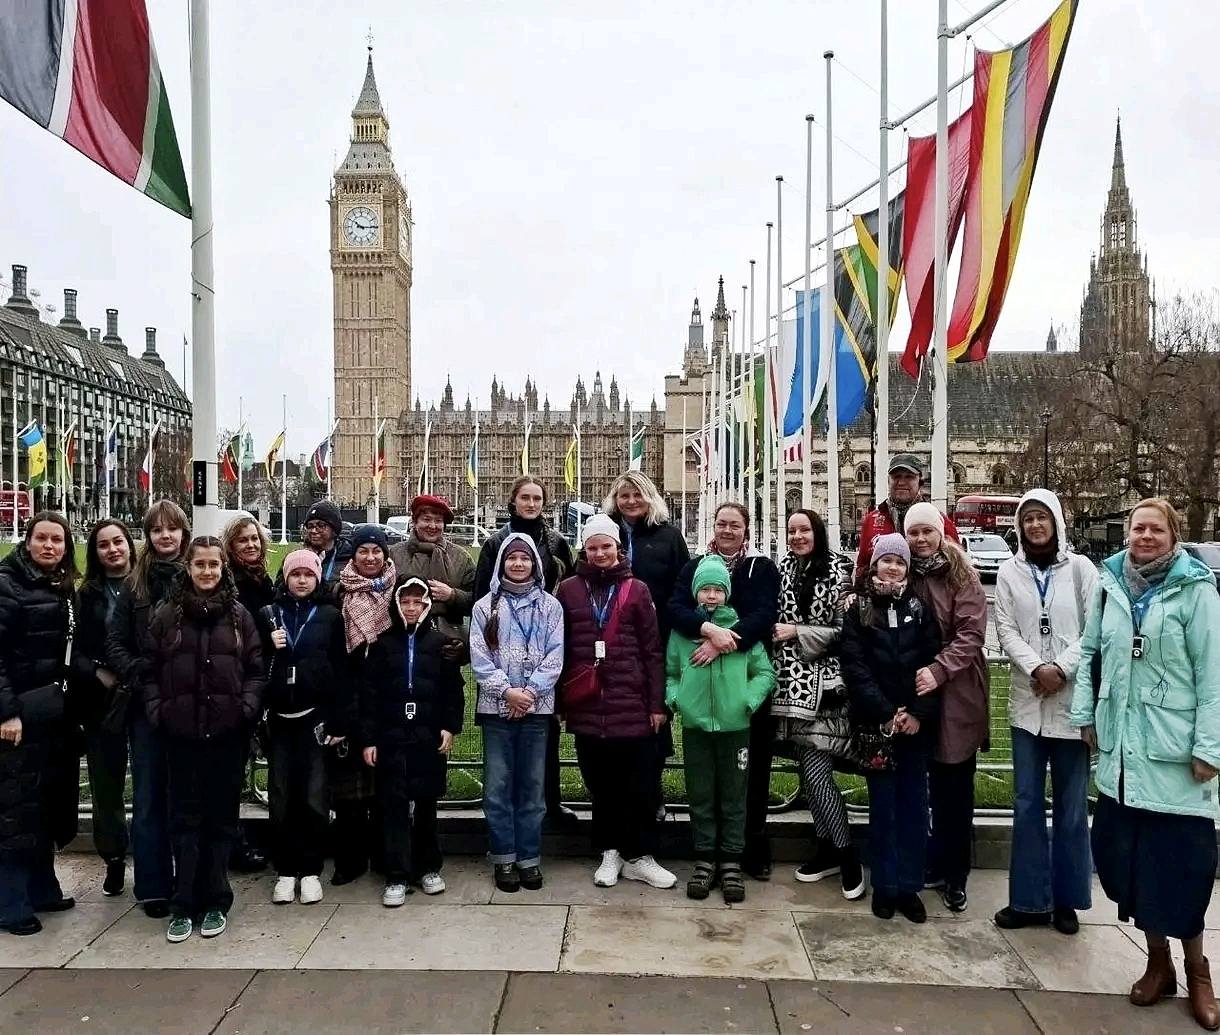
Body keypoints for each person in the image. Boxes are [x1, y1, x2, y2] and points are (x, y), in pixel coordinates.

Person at [1070, 498, 1220, 1031]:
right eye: (1139, 528)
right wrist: (1084, 715)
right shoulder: (1110, 585)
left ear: (1174, 536)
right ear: (1127, 533)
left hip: (1174, 756)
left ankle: (1198, 971)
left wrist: (1209, 748)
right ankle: (1158, 965)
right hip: (1122, 754)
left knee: (1182, 871)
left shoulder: (1196, 591)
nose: (1146, 536)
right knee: (1131, 867)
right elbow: (1090, 655)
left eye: (1157, 529)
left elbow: (1213, 676)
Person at [142, 536, 265, 942]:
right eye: (200, 565)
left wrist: (245, 710)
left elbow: (255, 670)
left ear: (222, 568)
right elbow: (149, 670)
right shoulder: (167, 615)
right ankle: (184, 902)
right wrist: (160, 712)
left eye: (214, 565)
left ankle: (216, 899)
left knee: (221, 821)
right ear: (189, 568)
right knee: (184, 820)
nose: (207, 572)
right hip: (181, 735)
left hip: (226, 734)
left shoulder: (239, 616)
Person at [993, 489, 1097, 936]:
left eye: (1042, 518)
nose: (1035, 525)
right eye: (1028, 519)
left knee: (1071, 807)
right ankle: (1028, 900)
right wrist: (1037, 667)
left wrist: (1061, 669)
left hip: (1071, 705)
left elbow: (1094, 629)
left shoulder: (1081, 570)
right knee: (1027, 803)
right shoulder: (1008, 572)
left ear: (1056, 522)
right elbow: (1005, 629)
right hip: (1028, 704)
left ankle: (1066, 899)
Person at [555, 515, 673, 890]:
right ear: (584, 550)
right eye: (593, 547)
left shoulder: (637, 590)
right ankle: (610, 852)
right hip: (587, 702)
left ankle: (641, 856)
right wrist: (561, 702)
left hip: (631, 701)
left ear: (617, 548)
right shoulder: (569, 590)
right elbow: (560, 649)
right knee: (601, 785)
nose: (600, 553)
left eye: (606, 546)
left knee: (639, 784)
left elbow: (652, 650)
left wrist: (657, 704)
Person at [669, 502, 779, 879]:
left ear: (747, 528)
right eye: (721, 524)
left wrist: (723, 641)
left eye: (735, 524)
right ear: (712, 527)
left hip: (740, 680)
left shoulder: (760, 568)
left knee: (752, 772)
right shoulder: (694, 567)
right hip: (701, 688)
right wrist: (707, 631)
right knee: (705, 782)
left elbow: (764, 615)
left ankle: (749, 846)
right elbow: (676, 609)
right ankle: (709, 851)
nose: (727, 530)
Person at [840, 534, 942, 924]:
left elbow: (932, 660)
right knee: (883, 808)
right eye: (887, 561)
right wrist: (885, 712)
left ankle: (909, 886)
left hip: (914, 726)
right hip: (877, 726)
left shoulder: (920, 608)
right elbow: (855, 666)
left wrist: (916, 713)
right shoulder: (859, 609)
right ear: (875, 565)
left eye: (900, 562)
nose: (893, 568)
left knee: (914, 806)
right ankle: (885, 885)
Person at [771, 509, 864, 899]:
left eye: (804, 530)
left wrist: (797, 631)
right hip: (789, 689)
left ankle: (847, 854)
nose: (797, 536)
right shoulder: (783, 569)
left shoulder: (840, 570)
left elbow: (847, 631)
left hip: (826, 689)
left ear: (818, 532)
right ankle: (826, 849)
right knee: (810, 775)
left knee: (817, 772)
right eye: (791, 530)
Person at [474, 475, 576, 828]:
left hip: (544, 643)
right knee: (502, 745)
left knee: (544, 731)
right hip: (503, 651)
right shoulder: (495, 543)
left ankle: (550, 802)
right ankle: (508, 814)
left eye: (537, 499)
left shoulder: (556, 542)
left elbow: (568, 589)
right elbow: (483, 595)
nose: (531, 504)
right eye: (525, 498)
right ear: (513, 501)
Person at [106, 499, 190, 919]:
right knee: (149, 797)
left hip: (190, 705)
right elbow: (115, 642)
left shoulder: (198, 575)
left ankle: (189, 880)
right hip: (146, 706)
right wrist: (138, 671)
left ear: (183, 533)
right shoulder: (134, 586)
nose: (165, 536)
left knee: (187, 797)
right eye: (157, 530)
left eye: (171, 528)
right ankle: (153, 886)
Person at [903, 501, 989, 913]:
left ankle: (956, 873)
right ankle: (932, 861)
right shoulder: (904, 572)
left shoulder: (962, 574)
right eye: (913, 532)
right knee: (926, 785)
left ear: (940, 533)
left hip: (957, 688)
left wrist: (939, 670)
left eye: (927, 531)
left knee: (955, 787)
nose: (921, 539)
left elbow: (971, 633)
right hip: (918, 690)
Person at [358, 578, 464, 906]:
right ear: (396, 604)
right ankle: (396, 873)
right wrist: (369, 739)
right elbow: (370, 696)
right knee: (393, 806)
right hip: (391, 737)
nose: (412, 608)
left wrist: (449, 727)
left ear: (427, 605)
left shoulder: (440, 645)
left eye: (418, 602)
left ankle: (428, 867)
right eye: (406, 602)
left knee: (426, 804)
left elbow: (453, 690)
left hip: (427, 736)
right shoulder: (382, 645)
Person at [0, 512, 81, 936]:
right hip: (20, 714)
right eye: (42, 538)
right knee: (15, 810)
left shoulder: (60, 586)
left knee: (44, 804)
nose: (49, 546)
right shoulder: (8, 584)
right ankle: (11, 903)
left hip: (52, 712)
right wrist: (6, 711)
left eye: (57, 540)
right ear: (28, 541)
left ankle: (43, 888)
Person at [470, 533, 564, 893]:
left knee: (532, 788)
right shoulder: (485, 607)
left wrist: (530, 693)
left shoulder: (550, 607)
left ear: (535, 564)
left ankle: (529, 857)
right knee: (498, 786)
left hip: (536, 710)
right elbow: (480, 658)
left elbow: (555, 655)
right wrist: (507, 692)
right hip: (497, 710)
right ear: (502, 563)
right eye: (512, 558)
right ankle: (504, 856)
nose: (518, 564)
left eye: (525, 558)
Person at [602, 471, 690, 818]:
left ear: (649, 497)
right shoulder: (605, 532)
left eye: (637, 495)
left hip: (656, 642)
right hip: (612, 643)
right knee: (615, 717)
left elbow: (683, 589)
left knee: (655, 718)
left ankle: (652, 794)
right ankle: (617, 798)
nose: (631, 501)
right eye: (624, 495)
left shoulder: (668, 537)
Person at [265, 550, 349, 906]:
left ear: (318, 579)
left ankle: (311, 869)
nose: (301, 580)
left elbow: (341, 669)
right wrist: (268, 645)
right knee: (282, 796)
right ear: (285, 578)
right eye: (295, 574)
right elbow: (254, 664)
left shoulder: (330, 616)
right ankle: (286, 870)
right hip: (279, 719)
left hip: (315, 718)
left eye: (308, 575)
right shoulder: (269, 615)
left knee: (315, 795)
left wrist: (339, 718)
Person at [331, 523, 398, 885]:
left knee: (385, 786)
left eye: (376, 551)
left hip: (387, 697)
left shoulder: (398, 592)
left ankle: (386, 855)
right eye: (363, 551)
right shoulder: (339, 593)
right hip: (350, 694)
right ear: (353, 555)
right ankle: (351, 858)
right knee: (350, 788)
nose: (370, 558)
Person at [74, 519, 137, 898]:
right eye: (103, 544)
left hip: (142, 695)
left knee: (150, 782)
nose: (112, 550)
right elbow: (73, 649)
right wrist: (98, 673)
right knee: (106, 785)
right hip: (102, 700)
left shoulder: (146, 584)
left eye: (118, 542)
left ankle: (151, 856)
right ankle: (113, 858)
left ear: (129, 545)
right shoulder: (86, 595)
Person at [221, 515, 275, 874]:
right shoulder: (232, 586)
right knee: (229, 773)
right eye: (243, 540)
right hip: (237, 688)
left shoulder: (263, 581)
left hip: (262, 685)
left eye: (255, 538)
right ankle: (231, 843)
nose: (251, 545)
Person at [388, 494, 476, 658]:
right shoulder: (395, 554)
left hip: (447, 647)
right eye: (426, 519)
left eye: (438, 521)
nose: (432, 526)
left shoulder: (461, 558)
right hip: (403, 643)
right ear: (415, 522)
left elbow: (478, 600)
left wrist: (452, 595)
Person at [854, 454, 960, 581]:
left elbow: (958, 566)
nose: (901, 482)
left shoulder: (939, 520)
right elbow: (862, 567)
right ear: (888, 480)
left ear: (920, 481)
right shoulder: (872, 520)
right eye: (896, 477)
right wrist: (871, 583)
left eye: (909, 477)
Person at [298, 500, 352, 597]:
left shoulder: (350, 557)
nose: (314, 530)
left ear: (334, 528)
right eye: (310, 526)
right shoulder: (297, 558)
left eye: (321, 526)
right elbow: (282, 589)